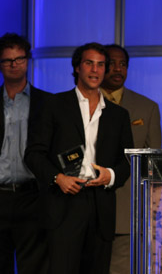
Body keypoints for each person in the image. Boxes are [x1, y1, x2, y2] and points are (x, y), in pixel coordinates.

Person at [24, 42, 133, 274]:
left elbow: (127, 162)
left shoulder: (118, 115)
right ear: (76, 68)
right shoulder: (54, 105)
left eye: (101, 65)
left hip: (101, 203)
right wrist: (57, 178)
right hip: (63, 203)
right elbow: (33, 154)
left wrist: (110, 175)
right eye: (89, 63)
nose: (95, 70)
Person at [100, 44, 162, 274]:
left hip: (126, 208)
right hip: (85, 206)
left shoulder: (146, 108)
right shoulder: (79, 103)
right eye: (112, 63)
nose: (118, 69)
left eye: (123, 64)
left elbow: (153, 163)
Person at [0, 33, 50, 274]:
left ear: (28, 60)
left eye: (19, 58)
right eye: (7, 60)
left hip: (33, 195)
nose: (13, 64)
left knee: (35, 266)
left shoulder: (47, 103)